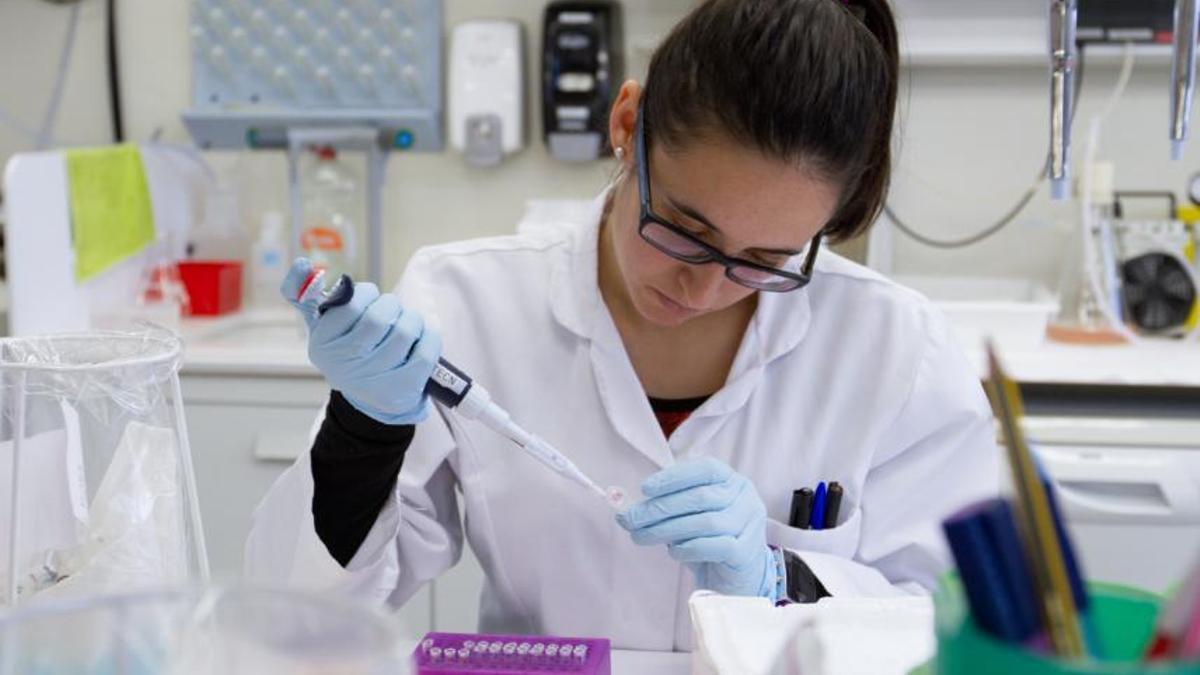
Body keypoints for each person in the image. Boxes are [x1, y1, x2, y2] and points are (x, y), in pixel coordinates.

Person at [246, 0, 999, 651]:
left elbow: (952, 624)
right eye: (681, 227)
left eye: (765, 258)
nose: (703, 288)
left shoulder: (894, 349)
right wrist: (364, 430)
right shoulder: (466, 298)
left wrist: (782, 580)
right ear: (627, 122)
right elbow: (308, 615)